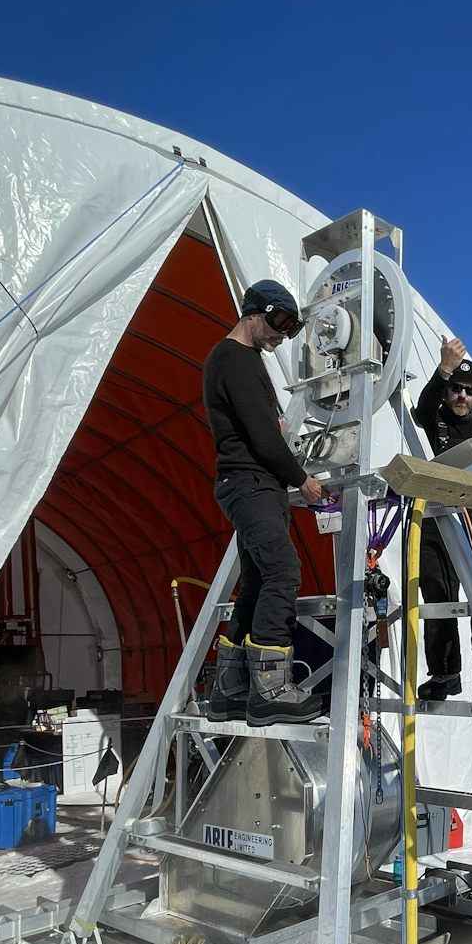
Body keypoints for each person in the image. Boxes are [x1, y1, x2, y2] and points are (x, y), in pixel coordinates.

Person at [200, 280, 329, 727]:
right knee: (283, 571)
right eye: (278, 324)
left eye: (291, 330)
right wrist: (303, 480)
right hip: (252, 483)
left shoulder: (245, 361)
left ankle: (229, 691)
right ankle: (271, 690)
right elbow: (263, 438)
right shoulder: (233, 359)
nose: (282, 336)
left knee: (255, 582)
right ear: (254, 312)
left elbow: (265, 423)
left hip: (254, 485)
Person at [409, 335, 472, 702]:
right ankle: (445, 674)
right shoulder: (436, 419)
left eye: (468, 391)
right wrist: (444, 367)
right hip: (436, 512)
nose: (462, 396)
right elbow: (421, 409)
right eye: (456, 389)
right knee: (436, 593)